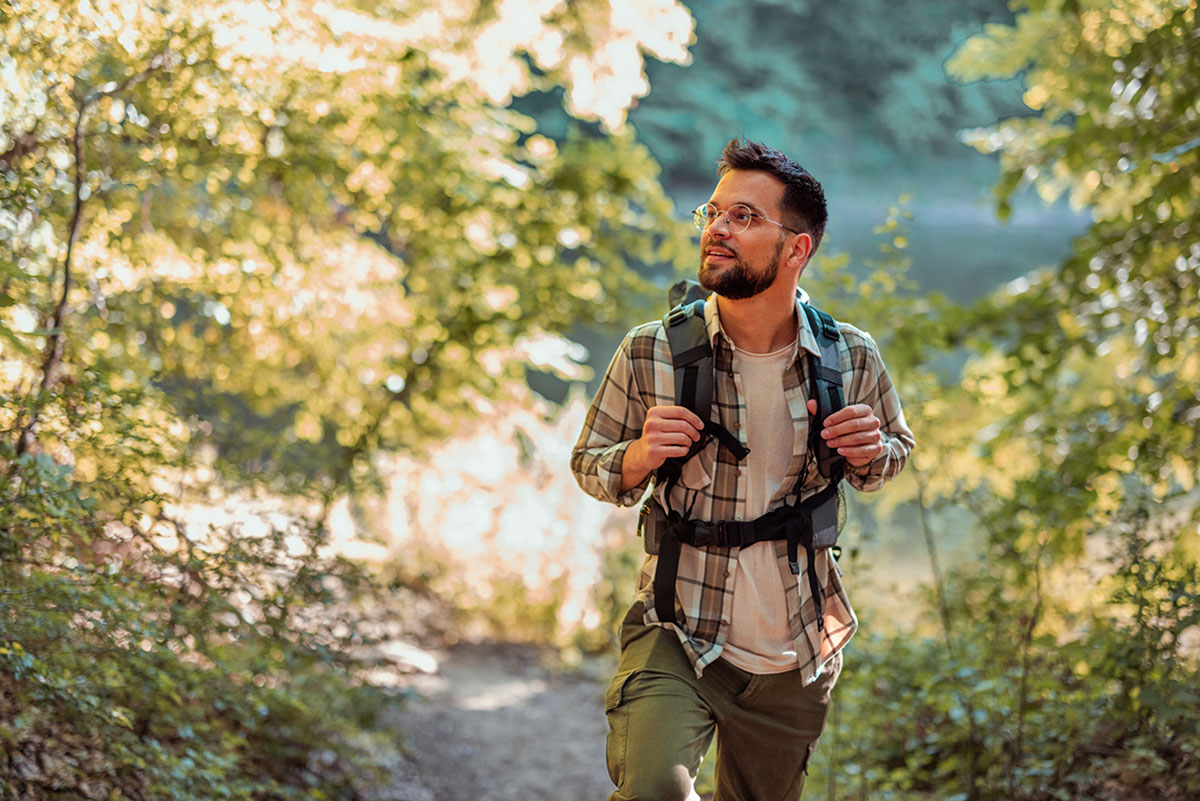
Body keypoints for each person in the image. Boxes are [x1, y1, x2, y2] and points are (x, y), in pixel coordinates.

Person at [570, 138, 915, 801]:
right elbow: (590, 463)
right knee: (654, 791)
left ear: (797, 249)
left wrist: (871, 451)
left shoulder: (850, 356)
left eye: (745, 216)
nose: (718, 229)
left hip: (797, 652)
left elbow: (893, 450)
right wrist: (642, 454)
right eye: (714, 211)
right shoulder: (653, 351)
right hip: (677, 628)